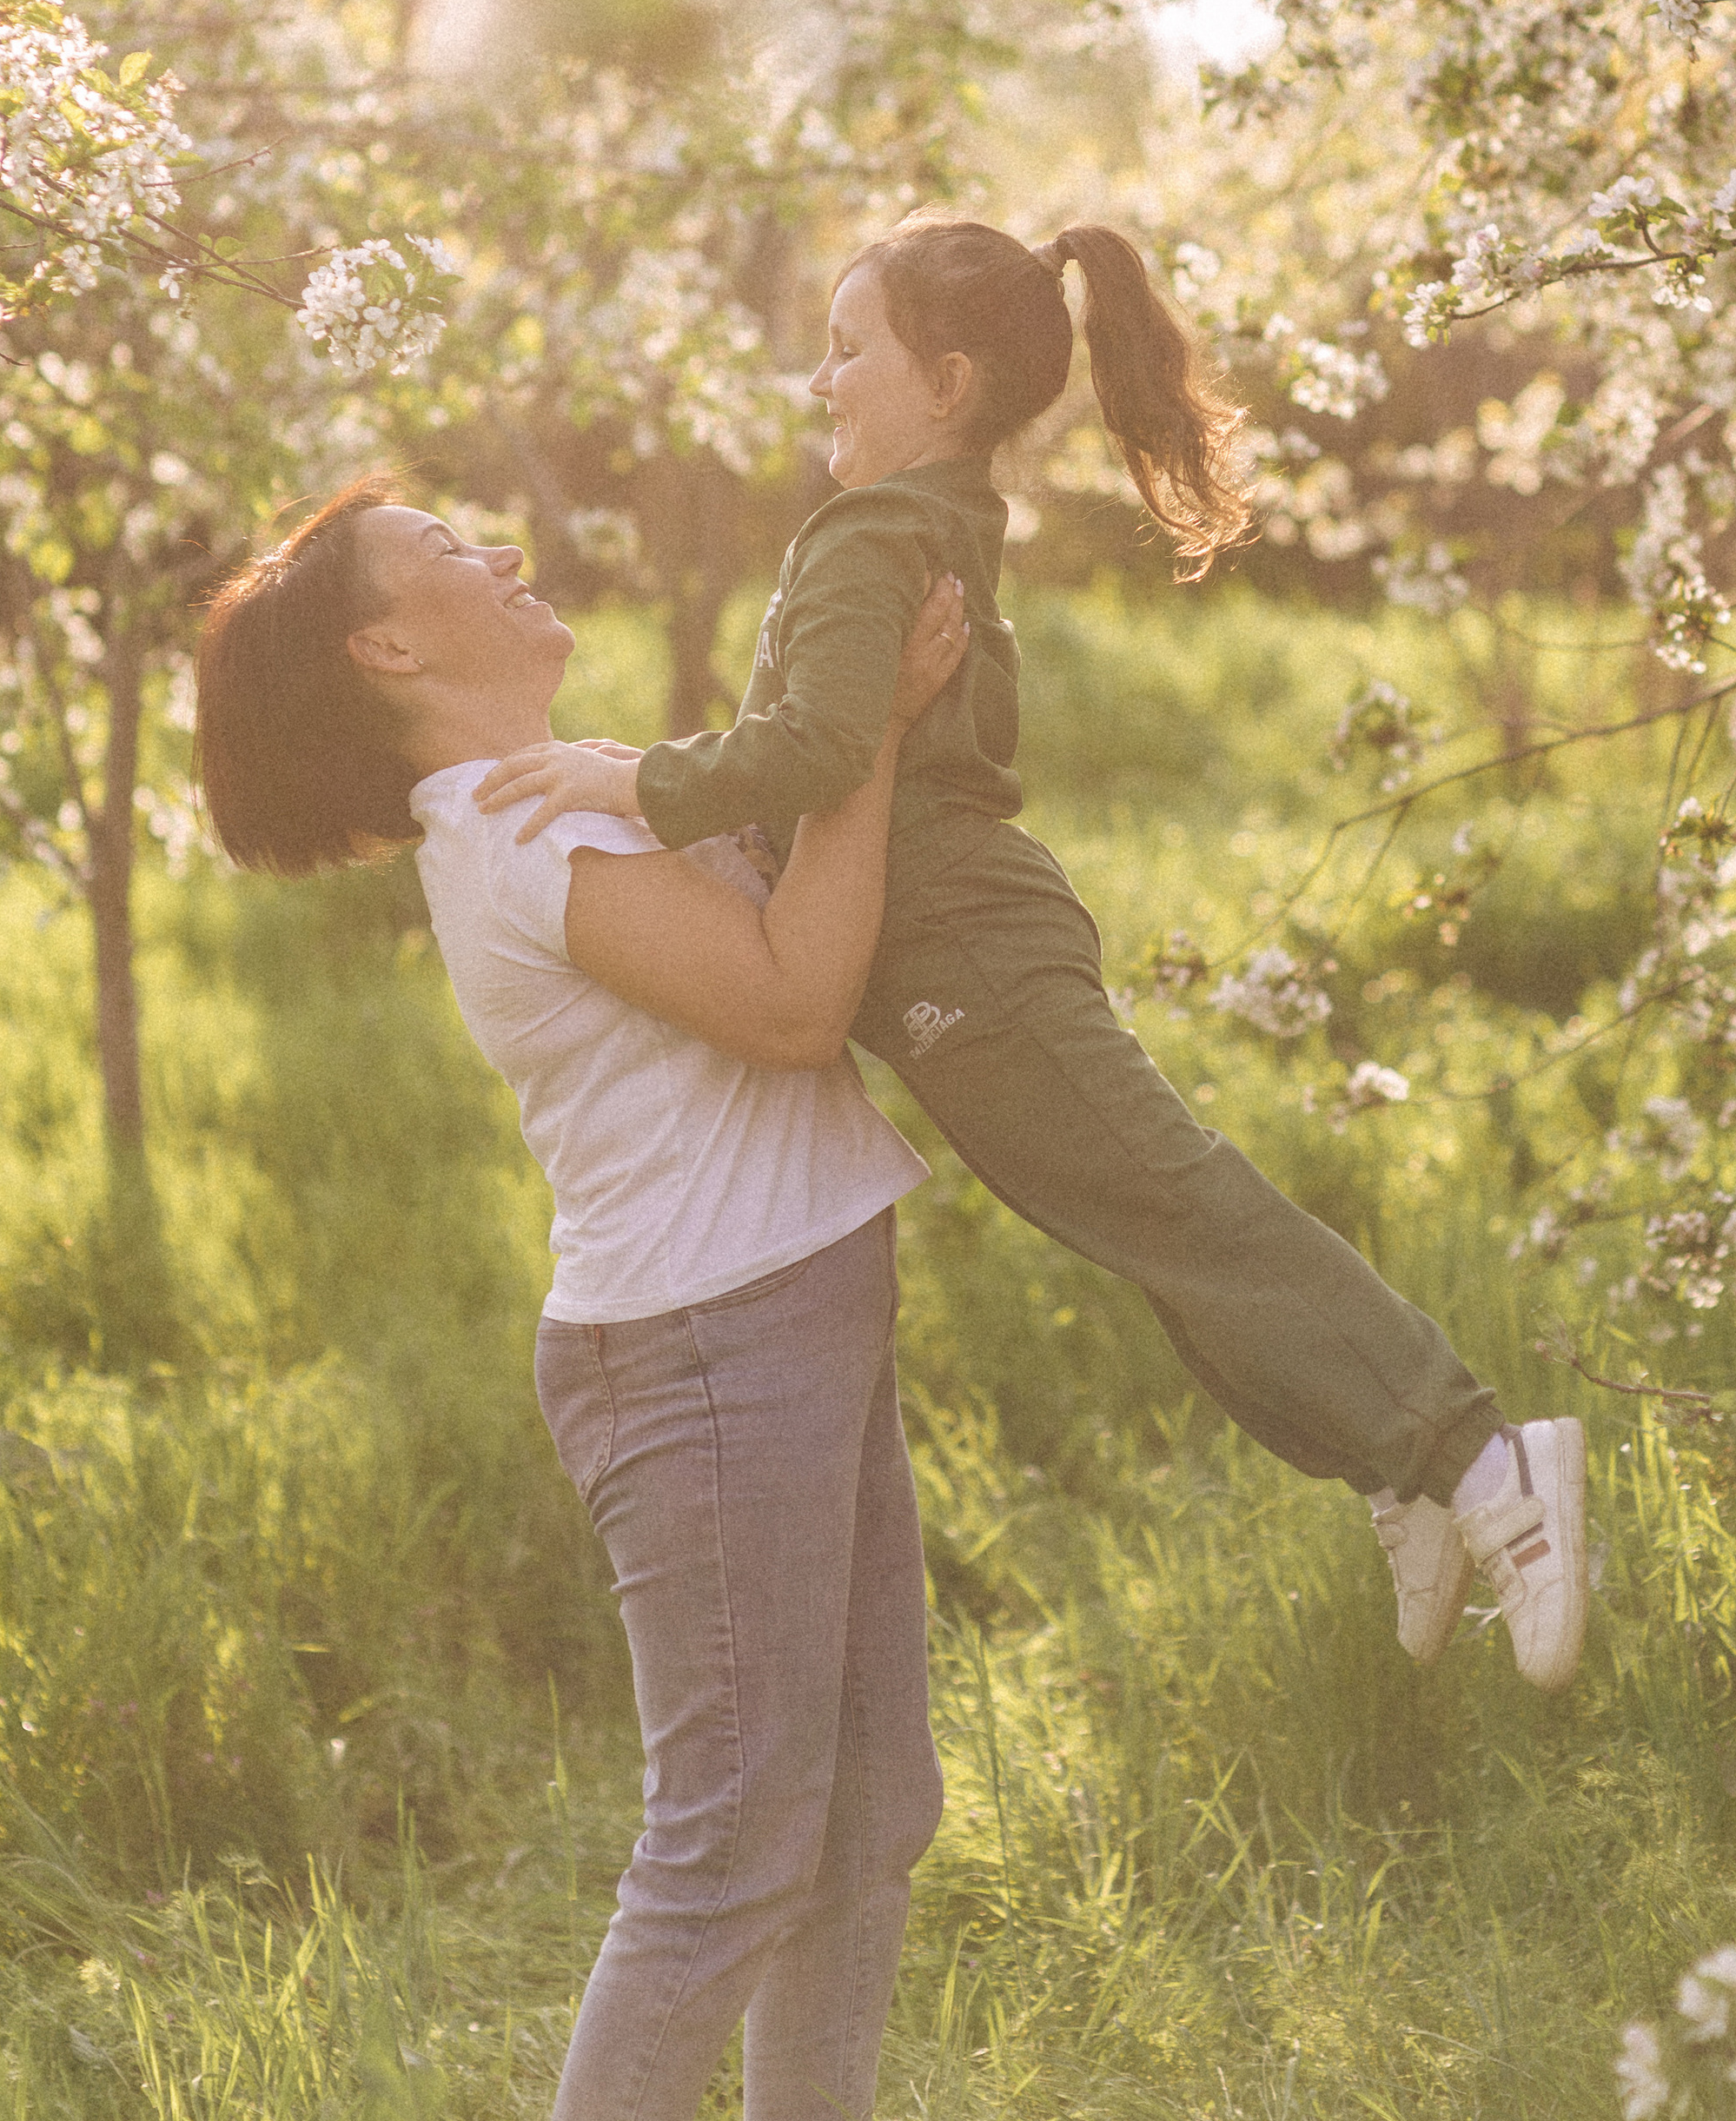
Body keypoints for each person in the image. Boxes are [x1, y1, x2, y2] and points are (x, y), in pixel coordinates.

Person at [476, 219, 1588, 1693]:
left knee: (1172, 1204)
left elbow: (815, 747)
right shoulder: (928, 515)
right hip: (949, 951)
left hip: (962, 948)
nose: (819, 380)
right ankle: (1393, 1461)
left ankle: (1482, 1453)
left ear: (945, 379)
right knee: (1142, 1230)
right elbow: (836, 740)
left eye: (846, 347)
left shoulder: (874, 534)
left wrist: (634, 782)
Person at [194, 474, 973, 2121]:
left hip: (783, 1306)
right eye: (448, 552)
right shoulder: (517, 838)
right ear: (390, 645)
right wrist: (860, 738)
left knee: (865, 1817)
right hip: (703, 1351)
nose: (498, 544)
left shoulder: (569, 792)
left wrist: (834, 731)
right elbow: (789, 1001)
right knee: (727, 1848)